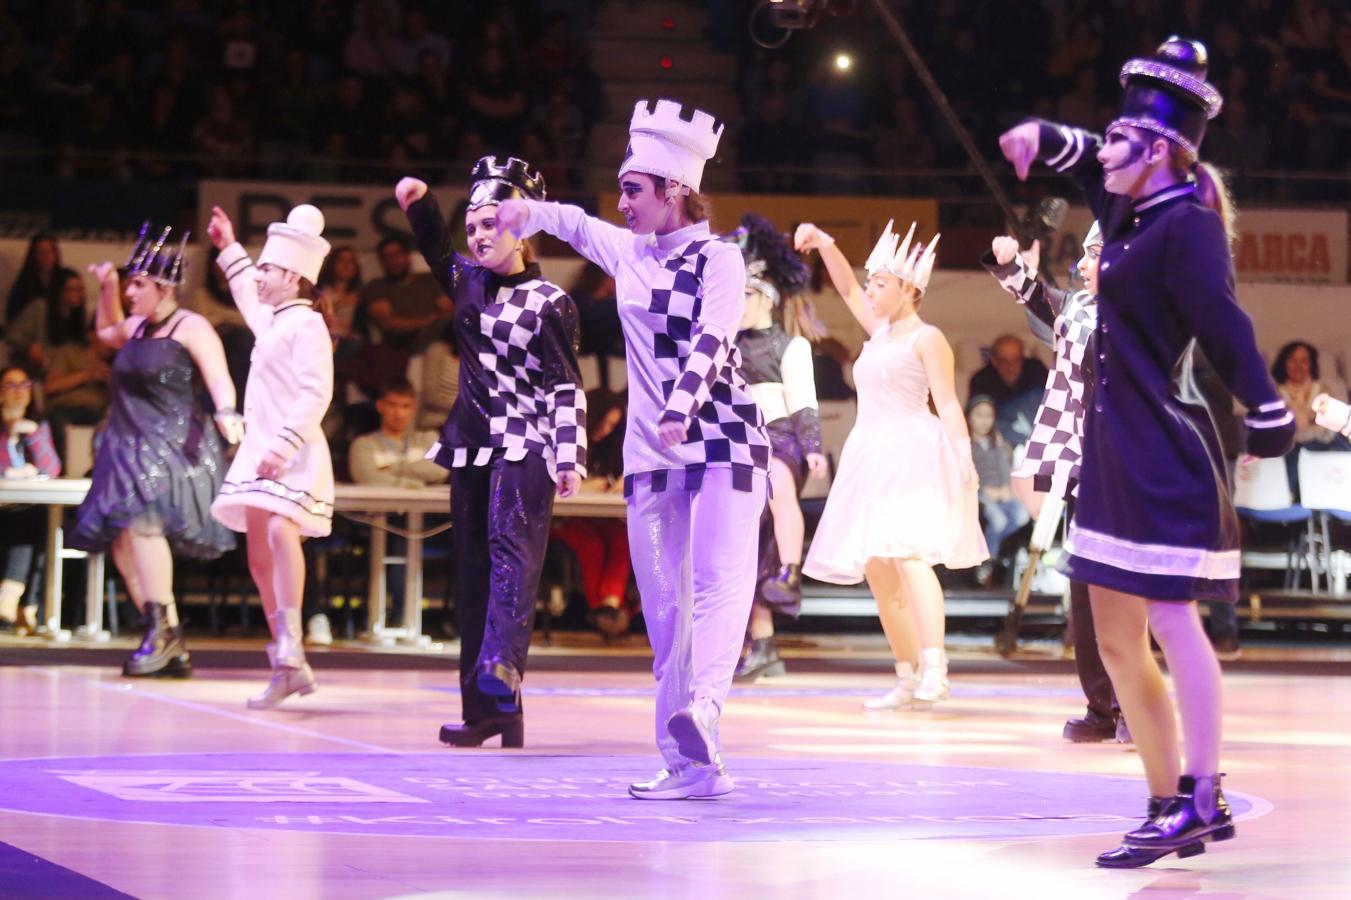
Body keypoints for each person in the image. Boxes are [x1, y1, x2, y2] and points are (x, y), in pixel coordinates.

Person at [999, 37, 1296, 868]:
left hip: (1165, 450)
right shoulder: (1128, 210)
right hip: (1112, 455)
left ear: (1162, 149)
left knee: (1170, 620)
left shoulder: (1187, 225)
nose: (1104, 150)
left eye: (1122, 137)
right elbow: (1086, 155)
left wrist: (1266, 407)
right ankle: (1166, 800)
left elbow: (1224, 326)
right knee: (1116, 637)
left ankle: (1202, 794)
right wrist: (1035, 135)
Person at [495, 99, 770, 799]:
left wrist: (679, 408)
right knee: (663, 614)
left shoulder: (721, 258)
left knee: (716, 586)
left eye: (632, 190)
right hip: (652, 457)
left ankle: (703, 716)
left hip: (723, 441)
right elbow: (574, 223)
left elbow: (712, 340)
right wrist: (523, 212)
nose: (620, 202)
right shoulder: (630, 251)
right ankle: (686, 764)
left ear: (674, 189)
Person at [396, 154, 586, 750]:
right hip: (472, 445)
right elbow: (433, 247)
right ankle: (489, 713)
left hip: (526, 445)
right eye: (472, 226)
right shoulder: (467, 282)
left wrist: (569, 455)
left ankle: (503, 667)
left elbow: (565, 383)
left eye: (492, 224)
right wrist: (420, 205)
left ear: (522, 230)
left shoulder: (551, 301)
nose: (479, 236)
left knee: (512, 556)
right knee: (473, 578)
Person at [797, 219, 986, 711]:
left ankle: (936, 667)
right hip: (871, 452)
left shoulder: (927, 338)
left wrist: (964, 456)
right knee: (879, 569)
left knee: (909, 555)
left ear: (909, 290)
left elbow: (946, 402)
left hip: (912, 452)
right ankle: (907, 672)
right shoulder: (878, 333)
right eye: (871, 281)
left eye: (881, 283)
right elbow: (842, 285)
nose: (870, 289)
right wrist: (826, 242)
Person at [69, 224, 241, 677]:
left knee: (143, 529)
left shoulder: (192, 326)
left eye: (137, 284)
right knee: (124, 544)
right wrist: (105, 286)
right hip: (126, 445)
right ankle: (168, 637)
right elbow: (105, 331)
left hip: (169, 445)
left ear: (164, 287)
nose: (130, 291)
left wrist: (227, 411)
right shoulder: (138, 328)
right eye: (128, 283)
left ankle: (162, 634)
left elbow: (219, 376)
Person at [982, 224, 1125, 744]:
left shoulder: (1149, 312)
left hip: (1130, 466)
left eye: (1093, 256)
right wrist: (1009, 265)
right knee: (1085, 588)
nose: (1083, 266)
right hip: (1088, 464)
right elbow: (1039, 298)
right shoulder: (1081, 308)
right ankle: (1102, 704)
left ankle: (1134, 702)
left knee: (1125, 589)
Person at [208, 204, 335, 710]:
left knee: (282, 531)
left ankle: (292, 643)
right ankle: (287, 663)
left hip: (294, 453)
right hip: (260, 452)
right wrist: (227, 247)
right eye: (258, 266)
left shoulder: (307, 327)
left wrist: (283, 446)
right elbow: (243, 295)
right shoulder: (276, 321)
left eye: (267, 268)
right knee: (258, 552)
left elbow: (316, 392)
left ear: (292, 276)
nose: (258, 275)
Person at [729, 213, 828, 681]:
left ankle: (791, 569)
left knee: (779, 487)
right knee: (748, 544)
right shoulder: (725, 344)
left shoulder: (790, 347)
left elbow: (804, 402)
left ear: (764, 297)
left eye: (743, 294)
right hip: (737, 442)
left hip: (780, 437)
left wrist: (813, 447)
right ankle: (762, 642)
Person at [550, 387, 632, 637]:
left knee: (622, 538)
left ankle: (607, 607)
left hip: (597, 517)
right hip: (562, 519)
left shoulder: (611, 447)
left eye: (612, 425)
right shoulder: (565, 440)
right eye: (604, 422)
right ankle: (604, 609)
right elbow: (545, 484)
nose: (605, 430)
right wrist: (581, 486)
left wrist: (622, 482)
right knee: (591, 544)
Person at [0, 365, 60, 634]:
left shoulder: (39, 424)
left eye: (25, 386)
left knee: (36, 520)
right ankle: (25, 605)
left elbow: (52, 468)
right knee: (26, 522)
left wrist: (33, 433)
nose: (19, 392)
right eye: (11, 385)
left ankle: (13, 600)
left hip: (26, 506)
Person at [966, 394, 1028, 582]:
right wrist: (984, 490)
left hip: (1000, 490)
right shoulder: (967, 443)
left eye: (989, 416)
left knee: (1021, 516)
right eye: (979, 415)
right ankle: (988, 557)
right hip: (978, 493)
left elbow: (1003, 467)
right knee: (998, 520)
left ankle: (993, 546)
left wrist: (1005, 487)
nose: (984, 421)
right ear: (969, 416)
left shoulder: (997, 442)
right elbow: (967, 473)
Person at [349, 377, 448, 488]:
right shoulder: (363, 444)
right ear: (380, 406)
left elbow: (441, 469)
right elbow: (366, 478)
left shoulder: (427, 438)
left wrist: (391, 468)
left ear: (413, 408)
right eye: (392, 405)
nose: (398, 414)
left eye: (405, 406)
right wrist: (412, 485)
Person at [967, 334, 1050, 446]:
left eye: (1016, 360)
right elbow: (980, 420)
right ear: (994, 361)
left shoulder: (1036, 371)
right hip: (1001, 444)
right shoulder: (981, 381)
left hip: (1043, 437)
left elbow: (1052, 405)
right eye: (1004, 361)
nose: (1011, 366)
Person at [5, 234, 76, 324]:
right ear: (33, 255)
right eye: (41, 252)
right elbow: (13, 317)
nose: (46, 257)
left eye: (50, 252)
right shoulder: (24, 283)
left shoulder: (64, 280)